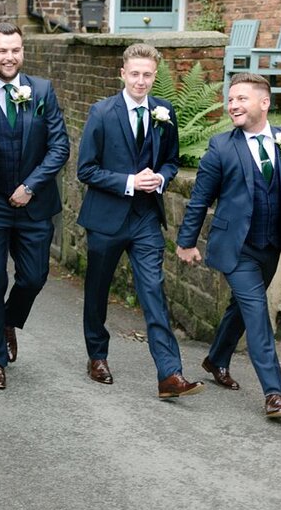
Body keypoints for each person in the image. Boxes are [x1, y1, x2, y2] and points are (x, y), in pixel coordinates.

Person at [176, 72, 281, 418]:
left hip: (272, 243)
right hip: (235, 248)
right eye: (230, 99)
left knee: (241, 309)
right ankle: (273, 393)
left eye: (241, 99)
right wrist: (186, 241)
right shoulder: (220, 147)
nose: (233, 105)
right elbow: (200, 199)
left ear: (265, 102)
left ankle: (216, 358)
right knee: (257, 312)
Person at [76, 43, 203, 399]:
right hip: (105, 219)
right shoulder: (101, 113)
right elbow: (86, 169)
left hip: (146, 217)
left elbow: (172, 160)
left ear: (154, 75)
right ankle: (97, 355)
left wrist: (161, 179)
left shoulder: (165, 111)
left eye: (148, 75)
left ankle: (170, 374)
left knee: (153, 292)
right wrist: (130, 181)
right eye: (135, 74)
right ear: (123, 74)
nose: (141, 81)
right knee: (97, 291)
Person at [0, 22, 70, 389]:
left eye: (15, 50)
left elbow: (60, 146)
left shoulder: (41, 90)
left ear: (22, 52)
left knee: (34, 277)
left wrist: (30, 185)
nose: (9, 57)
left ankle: (9, 319)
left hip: (34, 203)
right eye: (2, 51)